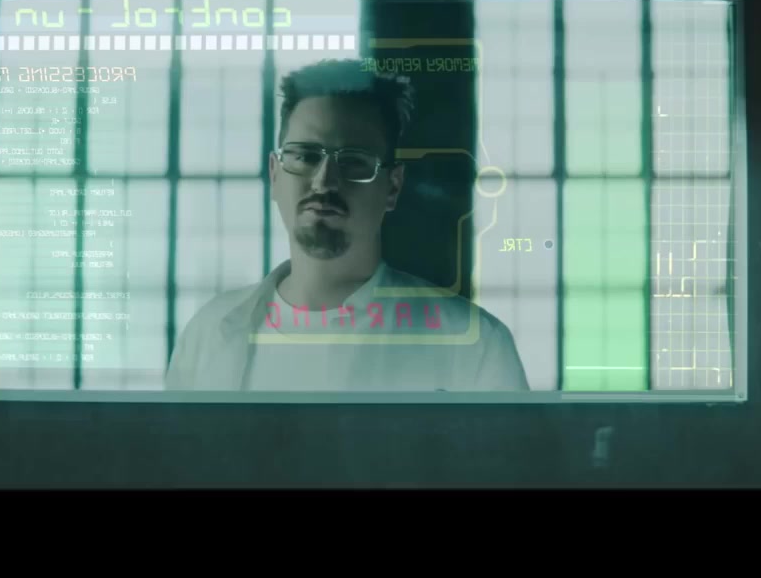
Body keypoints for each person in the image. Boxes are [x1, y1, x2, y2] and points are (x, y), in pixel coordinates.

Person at [166, 58, 529, 391]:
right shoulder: (208, 334)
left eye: (354, 161)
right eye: (305, 156)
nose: (324, 182)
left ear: (393, 187)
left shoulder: (474, 347)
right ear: (275, 175)